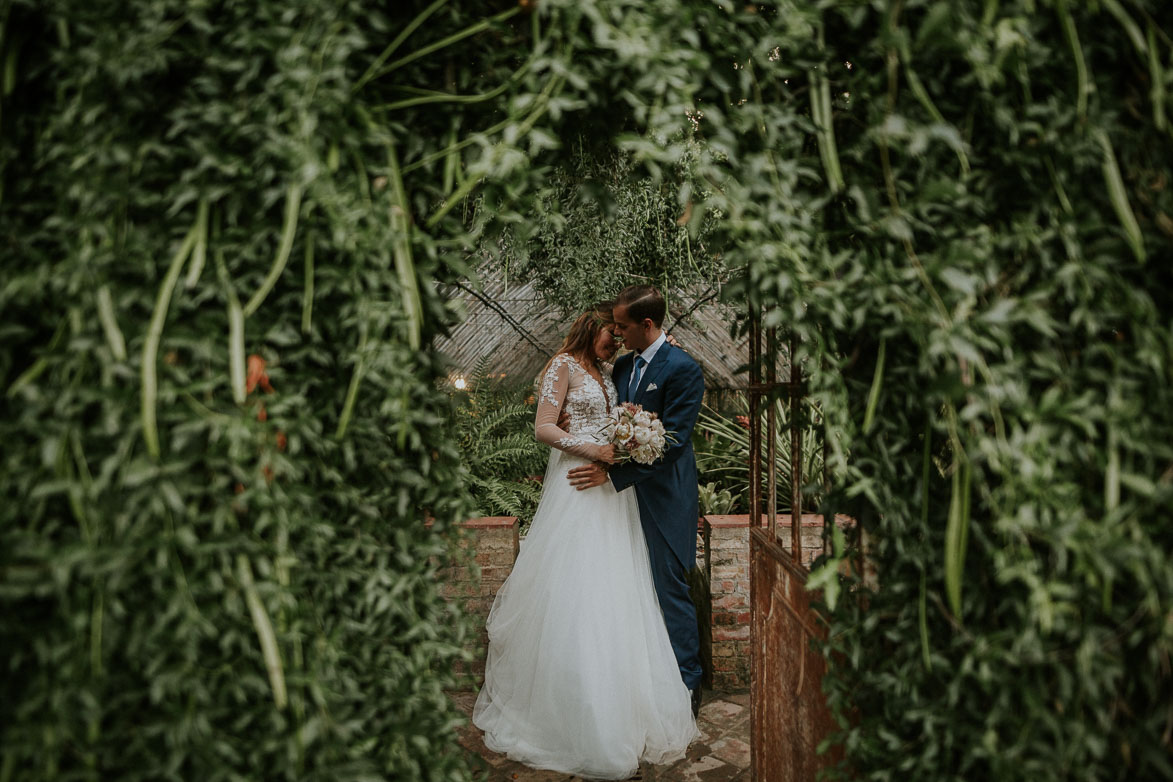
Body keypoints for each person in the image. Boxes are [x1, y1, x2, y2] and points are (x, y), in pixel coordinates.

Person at [472, 301, 697, 780]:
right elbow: (543, 426)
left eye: (620, 333)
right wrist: (592, 448)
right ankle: (571, 706)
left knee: (621, 586)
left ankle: (626, 697)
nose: (615, 339)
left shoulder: (612, 369)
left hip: (613, 492)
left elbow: (645, 389)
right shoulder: (562, 365)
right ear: (589, 330)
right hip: (577, 484)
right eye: (609, 333)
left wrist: (665, 349)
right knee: (575, 587)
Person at [566, 285, 706, 716]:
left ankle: (687, 688)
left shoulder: (684, 369)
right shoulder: (623, 365)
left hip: (665, 498)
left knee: (669, 588)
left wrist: (613, 472)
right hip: (621, 505)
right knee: (630, 591)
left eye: (623, 326)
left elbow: (675, 442)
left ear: (647, 324)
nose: (617, 333)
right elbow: (585, 373)